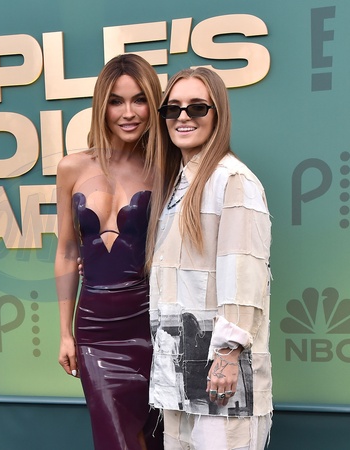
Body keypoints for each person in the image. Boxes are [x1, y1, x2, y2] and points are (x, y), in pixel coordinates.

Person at [145, 67, 273, 449]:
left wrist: (228, 353)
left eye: (197, 107)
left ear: (218, 114)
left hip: (220, 373)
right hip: (176, 371)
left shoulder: (233, 180)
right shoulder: (176, 185)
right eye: (173, 109)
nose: (183, 116)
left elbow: (243, 270)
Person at [55, 54, 164, 450]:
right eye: (117, 101)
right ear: (102, 106)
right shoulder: (71, 167)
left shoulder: (166, 168)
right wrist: (65, 333)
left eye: (140, 100)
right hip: (95, 330)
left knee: (156, 438)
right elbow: (67, 250)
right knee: (116, 439)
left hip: (152, 325)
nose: (128, 113)